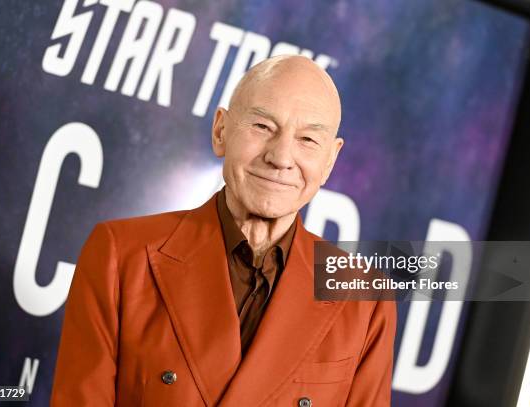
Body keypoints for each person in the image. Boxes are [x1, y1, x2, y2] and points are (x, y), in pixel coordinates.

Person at [50, 55, 397, 406]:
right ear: (221, 131)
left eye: (307, 139)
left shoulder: (364, 301)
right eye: (263, 127)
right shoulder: (121, 257)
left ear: (329, 162)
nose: (280, 157)